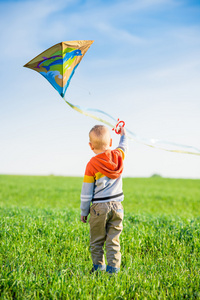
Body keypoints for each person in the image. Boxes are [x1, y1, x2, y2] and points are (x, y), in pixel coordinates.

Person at [80, 124, 128, 274]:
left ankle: (98, 269)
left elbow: (87, 192)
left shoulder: (92, 164)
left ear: (90, 146)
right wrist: (123, 133)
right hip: (118, 207)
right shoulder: (118, 156)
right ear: (111, 142)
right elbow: (124, 146)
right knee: (113, 241)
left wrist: (84, 211)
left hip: (99, 208)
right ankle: (113, 271)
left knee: (97, 241)